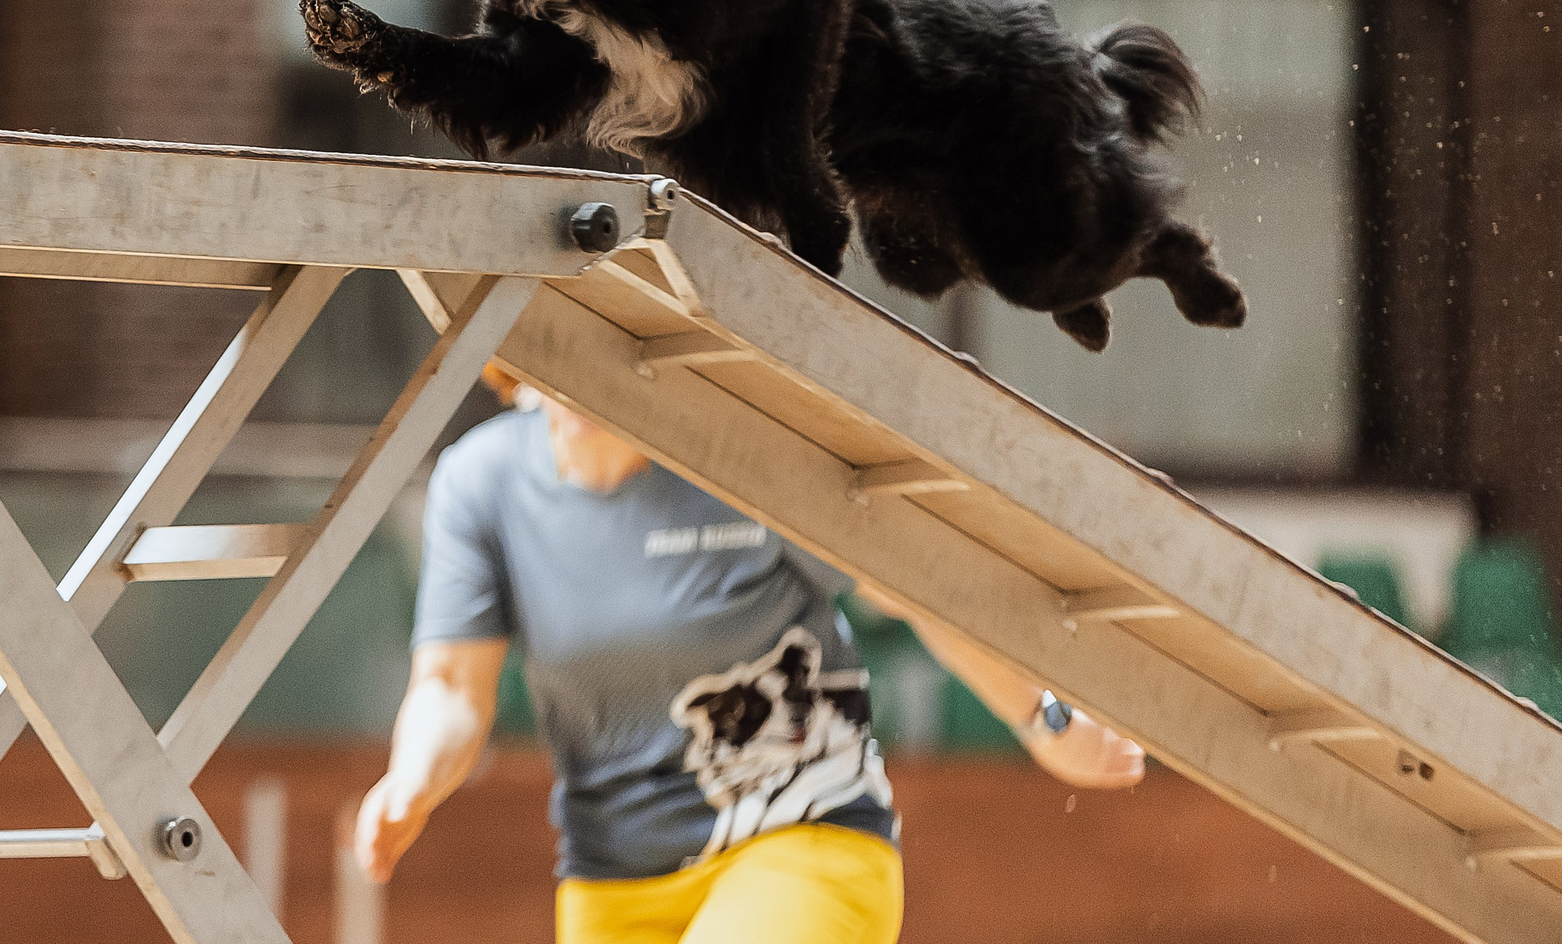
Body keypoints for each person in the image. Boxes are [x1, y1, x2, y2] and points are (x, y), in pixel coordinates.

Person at [353, 377, 1144, 944]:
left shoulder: (733, 452)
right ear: (516, 366)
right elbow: (453, 688)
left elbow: (913, 593)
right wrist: (412, 781)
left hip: (803, 834)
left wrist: (1042, 716)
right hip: (612, 878)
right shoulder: (481, 481)